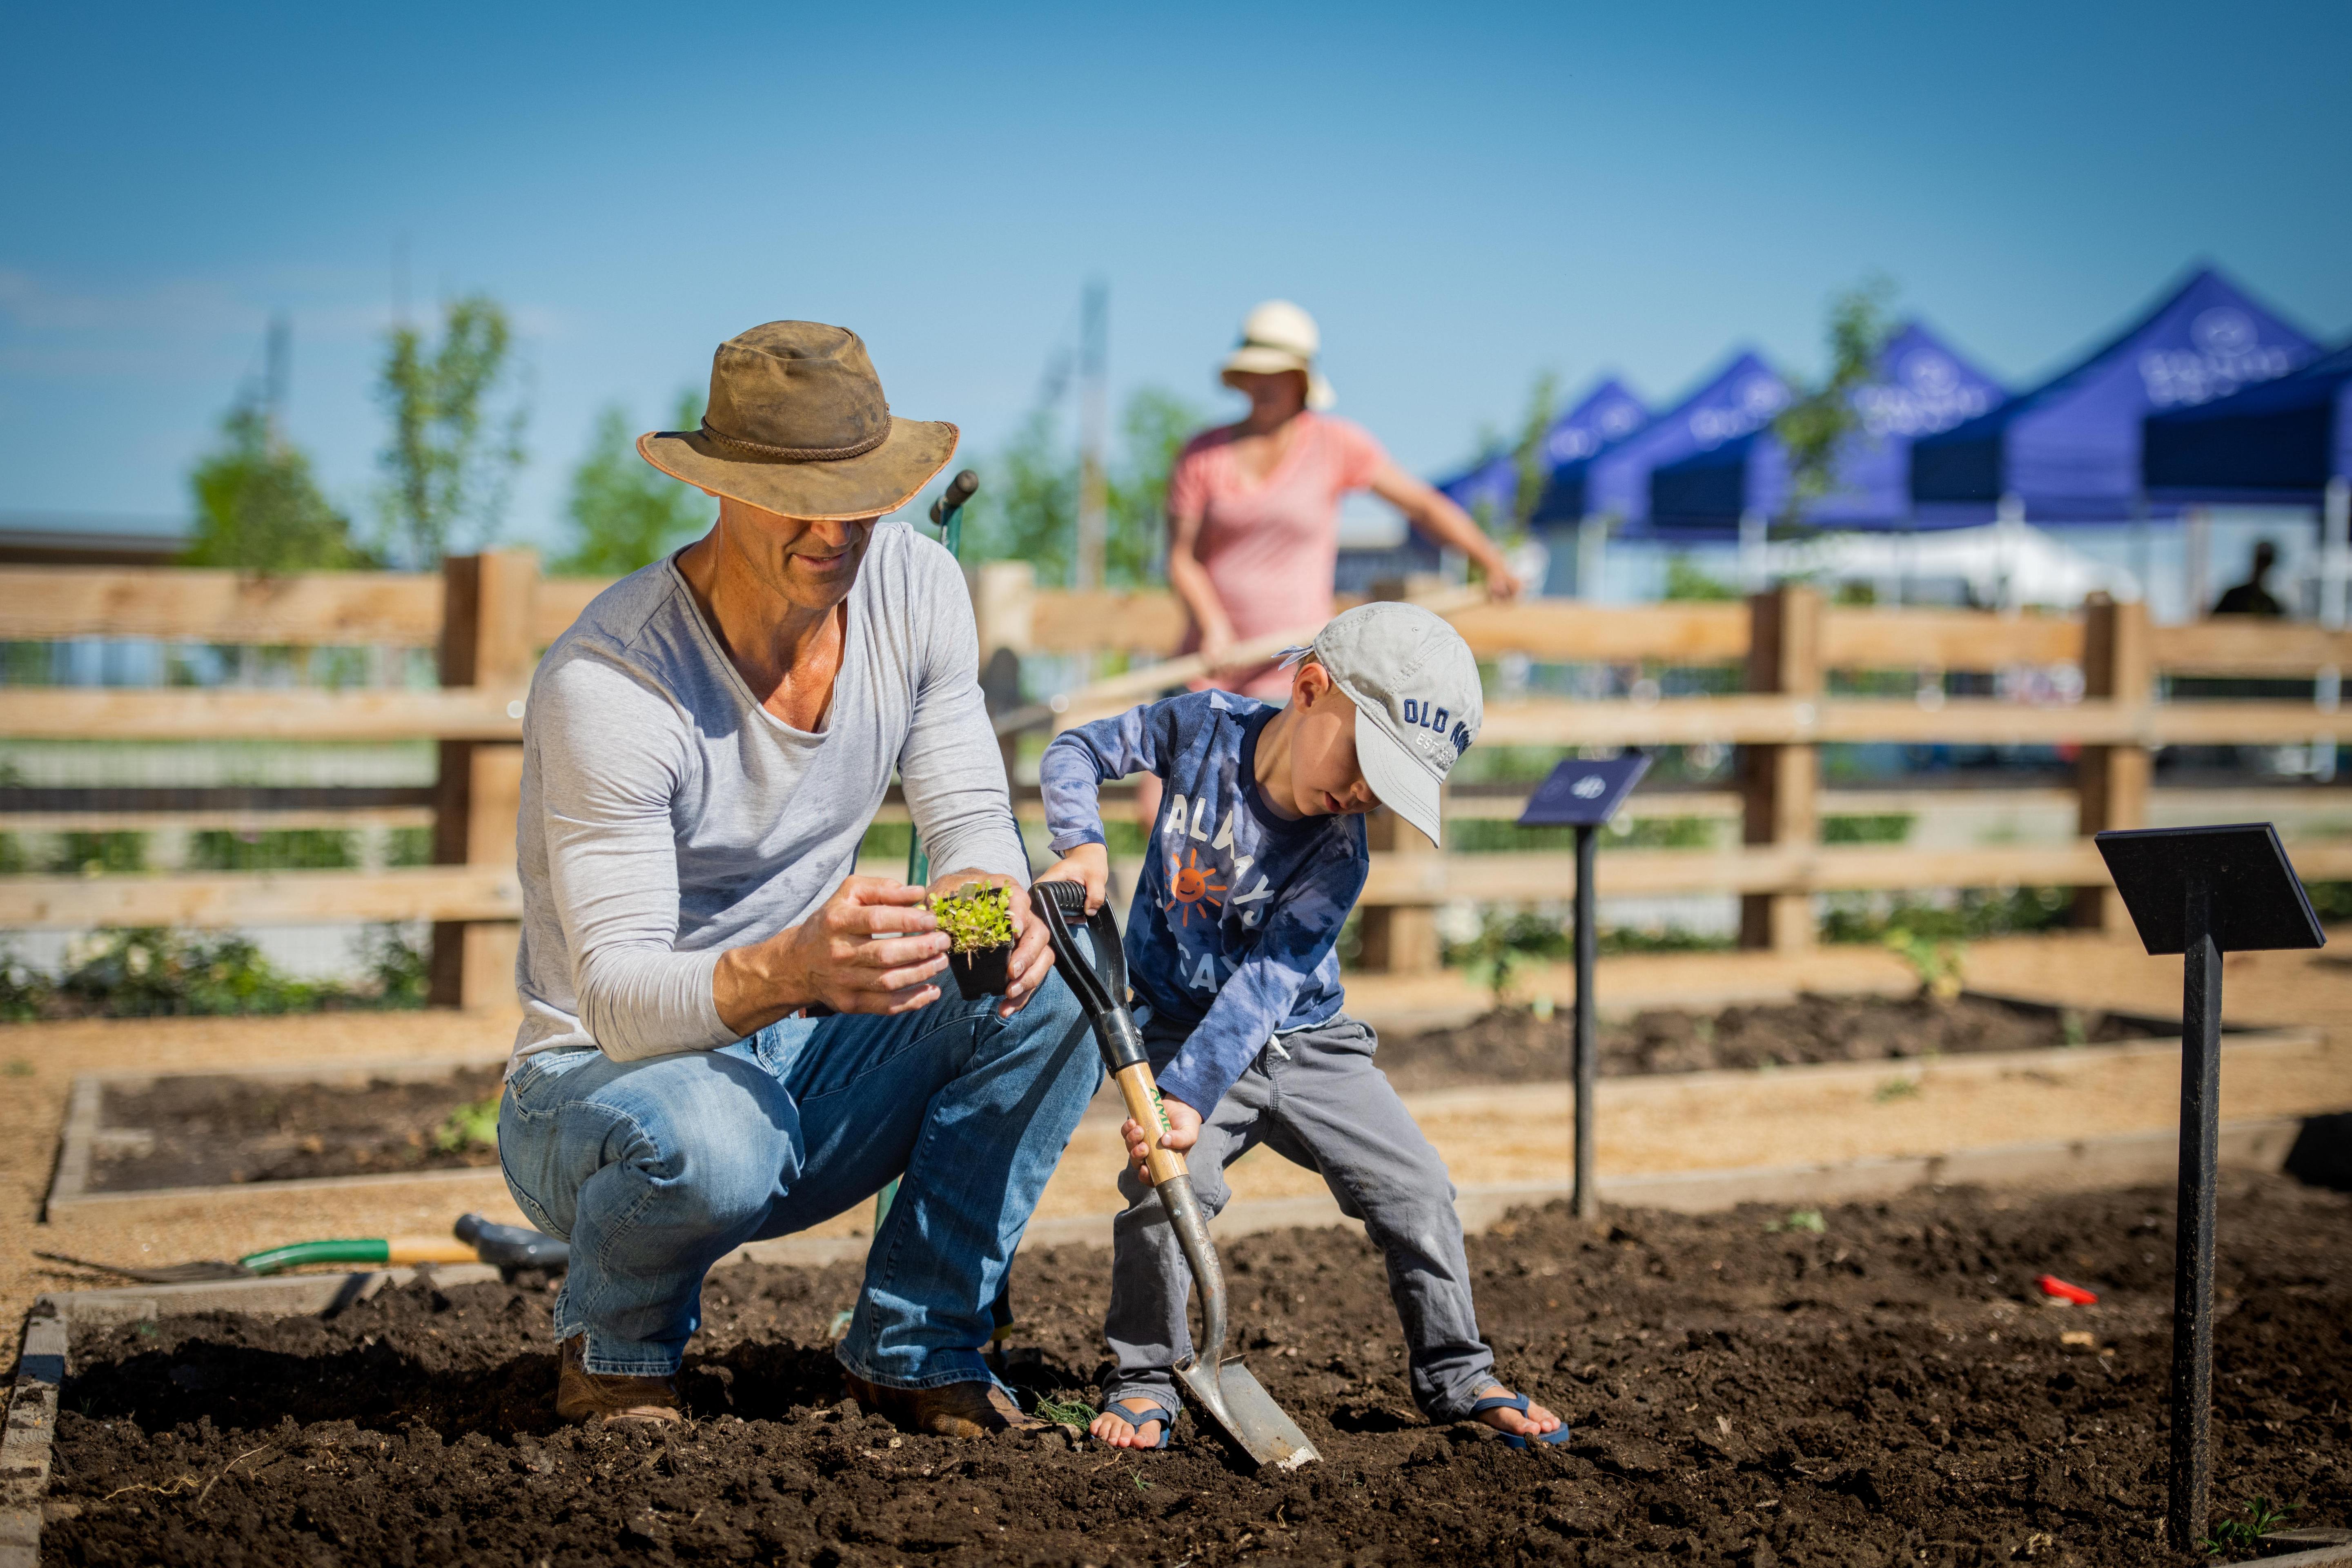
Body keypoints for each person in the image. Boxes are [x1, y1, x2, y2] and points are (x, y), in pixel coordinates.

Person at [497, 321, 1096, 1435]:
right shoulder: (617, 682)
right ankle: (616, 1353)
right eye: (797, 498)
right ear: (721, 488)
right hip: (601, 1089)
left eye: (860, 496)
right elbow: (618, 999)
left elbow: (967, 814)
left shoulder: (913, 589)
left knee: (1057, 984)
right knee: (714, 1141)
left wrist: (992, 918)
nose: (836, 531)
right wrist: (795, 968)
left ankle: (916, 1348)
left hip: (799, 1049)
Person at [1035, 602, 1568, 1450]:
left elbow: (1267, 984)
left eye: (1386, 791)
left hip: (1312, 1046)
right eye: (1365, 763)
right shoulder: (1198, 729)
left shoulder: (1339, 850)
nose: (1360, 795)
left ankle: (1457, 1373)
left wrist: (1188, 1097)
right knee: (1167, 1190)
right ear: (1310, 690)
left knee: (1417, 1190)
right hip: (1179, 1028)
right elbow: (1075, 750)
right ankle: (1144, 1375)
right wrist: (1083, 845)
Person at [1165, 300, 1523, 703]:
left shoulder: (1335, 445)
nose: (1263, 383)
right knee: (1174, 764)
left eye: (1277, 372)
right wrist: (1213, 626)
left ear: (1301, 379)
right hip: (1208, 670)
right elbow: (1182, 559)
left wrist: (1489, 559)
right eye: (1254, 371)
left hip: (1296, 675)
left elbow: (1423, 505)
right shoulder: (1202, 455)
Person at [2211, 539, 2286, 617]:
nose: (2262, 567)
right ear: (2254, 561)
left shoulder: (2272, 604)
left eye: (2266, 563)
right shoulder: (2233, 597)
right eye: (2260, 561)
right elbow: (2212, 624)